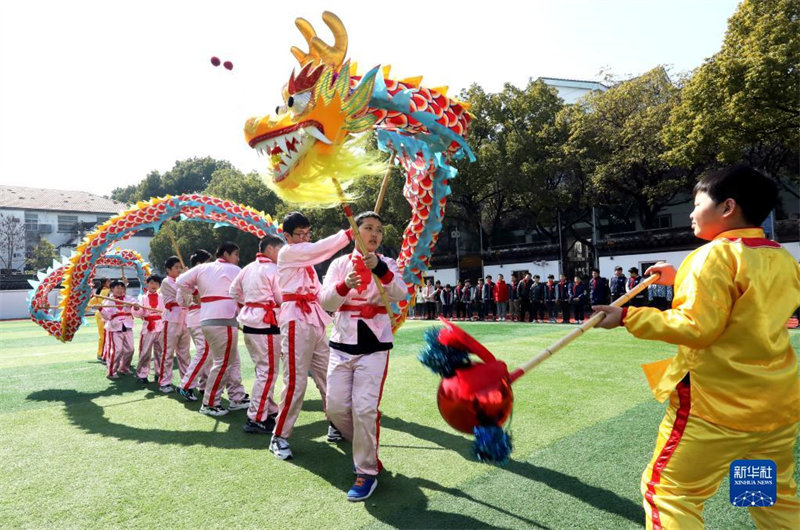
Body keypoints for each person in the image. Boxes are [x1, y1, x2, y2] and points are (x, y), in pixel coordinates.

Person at [592, 165, 800, 529]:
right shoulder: (781, 257)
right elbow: (744, 309)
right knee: (770, 498)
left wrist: (627, 317)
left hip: (717, 407)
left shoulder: (712, 256)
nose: (690, 212)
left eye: (698, 202)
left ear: (727, 207)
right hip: (774, 409)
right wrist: (680, 280)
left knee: (670, 494)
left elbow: (697, 327)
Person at [320, 211, 408, 501]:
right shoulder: (338, 264)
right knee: (334, 408)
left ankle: (367, 470)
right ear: (355, 231)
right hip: (342, 340)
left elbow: (400, 293)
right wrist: (345, 283)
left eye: (379, 230)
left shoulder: (388, 263)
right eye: (368, 228)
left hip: (375, 342)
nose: (374, 234)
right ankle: (364, 441)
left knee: (364, 409)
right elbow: (326, 301)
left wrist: (380, 269)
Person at [269, 212, 353, 461]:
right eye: (300, 234)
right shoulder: (288, 253)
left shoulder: (305, 261)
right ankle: (279, 436)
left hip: (314, 319)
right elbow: (319, 250)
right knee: (296, 382)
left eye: (308, 233)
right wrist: (349, 234)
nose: (305, 238)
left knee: (330, 375)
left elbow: (321, 291)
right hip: (295, 319)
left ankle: (335, 423)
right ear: (287, 236)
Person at [176, 242, 249, 416]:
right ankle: (210, 403)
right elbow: (245, 293)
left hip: (209, 319)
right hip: (222, 319)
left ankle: (235, 397)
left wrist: (195, 292)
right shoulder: (235, 270)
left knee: (229, 360)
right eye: (236, 255)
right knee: (223, 363)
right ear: (226, 253)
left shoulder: (203, 268)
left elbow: (180, 281)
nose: (238, 259)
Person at [229, 235, 284, 435]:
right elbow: (281, 297)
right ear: (270, 249)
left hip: (251, 323)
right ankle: (256, 417)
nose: (282, 254)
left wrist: (251, 302)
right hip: (266, 323)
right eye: (280, 249)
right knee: (268, 372)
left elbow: (233, 291)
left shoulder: (247, 268)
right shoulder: (274, 270)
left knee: (263, 370)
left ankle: (267, 410)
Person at [177, 249, 213, 402]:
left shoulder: (190, 277)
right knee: (204, 352)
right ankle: (186, 385)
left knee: (208, 354)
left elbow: (180, 301)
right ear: (199, 264)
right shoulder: (190, 278)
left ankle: (204, 385)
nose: (211, 265)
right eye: (208, 261)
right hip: (198, 318)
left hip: (200, 317)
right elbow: (181, 301)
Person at [159, 256, 192, 393]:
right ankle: (164, 382)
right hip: (171, 320)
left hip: (185, 319)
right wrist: (186, 277)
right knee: (168, 352)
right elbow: (180, 290)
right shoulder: (167, 281)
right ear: (168, 270)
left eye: (180, 267)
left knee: (184, 353)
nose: (179, 270)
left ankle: (186, 381)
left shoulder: (182, 280)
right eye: (176, 268)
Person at [99, 280, 140, 380]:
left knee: (130, 349)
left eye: (122, 288)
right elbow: (107, 317)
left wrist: (136, 306)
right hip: (114, 328)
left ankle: (124, 368)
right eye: (117, 288)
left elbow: (137, 307)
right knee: (116, 351)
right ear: (112, 289)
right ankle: (111, 371)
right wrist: (101, 309)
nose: (120, 290)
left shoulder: (129, 299)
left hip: (128, 326)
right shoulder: (107, 301)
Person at [133, 275, 164, 384]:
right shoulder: (142, 298)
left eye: (156, 283)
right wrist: (136, 308)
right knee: (145, 351)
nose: (154, 285)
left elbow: (166, 311)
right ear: (147, 284)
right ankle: (142, 374)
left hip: (160, 326)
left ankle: (160, 373)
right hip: (148, 327)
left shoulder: (162, 297)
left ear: (159, 285)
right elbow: (138, 314)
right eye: (151, 283)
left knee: (160, 352)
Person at [89, 278, 111, 363]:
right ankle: (101, 353)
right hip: (102, 315)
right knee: (103, 335)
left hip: (105, 314)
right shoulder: (105, 292)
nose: (110, 282)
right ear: (104, 283)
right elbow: (91, 303)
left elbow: (90, 303)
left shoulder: (100, 292)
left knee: (105, 335)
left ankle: (103, 353)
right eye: (108, 281)